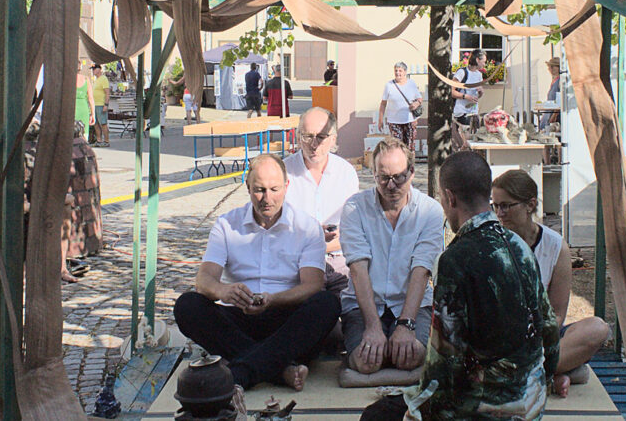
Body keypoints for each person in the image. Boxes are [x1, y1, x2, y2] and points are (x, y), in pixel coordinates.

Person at [361, 151, 559, 421]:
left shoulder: (455, 259)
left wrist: (415, 409)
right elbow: (548, 329)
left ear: (450, 197)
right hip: (531, 403)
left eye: (443, 199)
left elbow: (444, 366)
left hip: (487, 408)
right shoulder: (519, 246)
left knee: (378, 415)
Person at [173, 154, 340, 394]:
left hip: (286, 318)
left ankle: (241, 373)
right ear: (247, 187)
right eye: (259, 190)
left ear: (286, 187)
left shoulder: (307, 226)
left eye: (274, 190)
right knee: (187, 306)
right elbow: (204, 279)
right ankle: (280, 369)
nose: (267, 199)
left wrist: (273, 299)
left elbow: (312, 285)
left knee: (327, 304)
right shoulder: (226, 224)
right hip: (238, 317)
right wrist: (225, 291)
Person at [492, 169, 610, 397]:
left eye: (506, 205)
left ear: (530, 205)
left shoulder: (555, 246)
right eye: (495, 206)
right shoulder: (492, 242)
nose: (500, 213)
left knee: (598, 329)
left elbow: (556, 314)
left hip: (539, 337)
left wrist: (534, 339)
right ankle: (559, 372)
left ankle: (528, 374)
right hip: (501, 340)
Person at [340, 137, 443, 374]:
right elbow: (358, 269)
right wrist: (373, 327)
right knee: (367, 362)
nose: (391, 185)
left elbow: (422, 269)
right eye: (383, 178)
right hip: (365, 303)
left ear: (412, 172)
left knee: (409, 358)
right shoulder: (354, 208)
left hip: (412, 303)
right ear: (373, 174)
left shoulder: (430, 211)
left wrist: (406, 325)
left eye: (399, 177)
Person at [283, 107, 360, 294]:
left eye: (321, 137)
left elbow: (354, 232)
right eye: (308, 136)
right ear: (298, 136)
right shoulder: (283, 172)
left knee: (356, 312)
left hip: (340, 261)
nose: (314, 144)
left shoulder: (346, 173)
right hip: (297, 263)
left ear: (333, 138)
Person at [377, 62, 423, 152]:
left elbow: (419, 98)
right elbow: (383, 103)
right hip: (394, 121)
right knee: (397, 147)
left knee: (410, 148)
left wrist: (416, 104)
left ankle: (409, 166)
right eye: (396, 70)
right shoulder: (389, 85)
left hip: (409, 120)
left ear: (405, 72)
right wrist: (380, 120)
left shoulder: (411, 83)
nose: (398, 73)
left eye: (400, 71)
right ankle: (399, 166)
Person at [450, 50, 486, 132]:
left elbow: (477, 96)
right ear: (477, 60)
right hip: (461, 111)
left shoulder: (479, 75)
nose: (484, 64)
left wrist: (481, 93)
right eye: (483, 62)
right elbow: (452, 92)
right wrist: (466, 96)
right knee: (467, 137)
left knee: (472, 138)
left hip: (474, 111)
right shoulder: (462, 72)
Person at [539, 56, 561, 131]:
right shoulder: (555, 80)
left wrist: (554, 115)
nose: (550, 69)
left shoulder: (560, 81)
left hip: (554, 114)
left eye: (552, 67)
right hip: (549, 112)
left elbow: (560, 100)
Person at [91, 64, 111, 147]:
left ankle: (106, 141)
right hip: (95, 104)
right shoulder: (96, 80)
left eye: (94, 69)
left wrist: (106, 104)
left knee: (103, 123)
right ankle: (99, 140)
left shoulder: (103, 79)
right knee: (96, 123)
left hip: (101, 104)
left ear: (99, 69)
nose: (93, 71)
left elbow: (107, 92)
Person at [75, 59, 95, 134]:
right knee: (84, 133)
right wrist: (93, 114)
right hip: (83, 109)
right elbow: (91, 99)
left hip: (71, 108)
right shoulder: (86, 79)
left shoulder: (68, 79)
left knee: (71, 134)